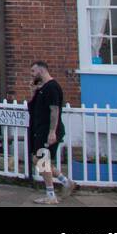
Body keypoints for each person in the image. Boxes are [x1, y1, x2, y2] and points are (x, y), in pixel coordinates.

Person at [27, 60, 73, 203]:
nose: (32, 75)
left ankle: (51, 195)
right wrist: (33, 92)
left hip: (48, 131)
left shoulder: (52, 87)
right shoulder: (42, 89)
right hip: (39, 130)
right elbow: (32, 109)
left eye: (33, 72)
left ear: (41, 71)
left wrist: (52, 132)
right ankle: (65, 182)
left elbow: (55, 111)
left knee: (42, 161)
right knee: (37, 159)